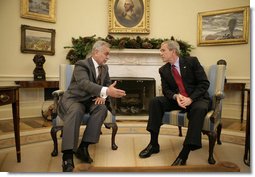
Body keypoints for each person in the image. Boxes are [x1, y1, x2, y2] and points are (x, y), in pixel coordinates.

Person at [138, 40, 210, 166]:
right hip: (179, 100)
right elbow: (166, 91)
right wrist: (176, 96)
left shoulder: (191, 61)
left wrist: (190, 99)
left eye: (163, 50)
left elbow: (204, 83)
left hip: (197, 99)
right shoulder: (163, 70)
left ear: (173, 51)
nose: (160, 53)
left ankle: (184, 153)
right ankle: (153, 144)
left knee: (198, 109)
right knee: (155, 101)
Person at [58, 40, 126, 172]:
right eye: (106, 54)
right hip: (74, 99)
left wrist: (103, 96)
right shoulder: (81, 64)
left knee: (102, 109)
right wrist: (106, 91)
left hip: (91, 100)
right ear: (96, 52)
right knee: (76, 110)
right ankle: (67, 155)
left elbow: (106, 84)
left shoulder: (104, 68)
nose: (108, 57)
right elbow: (84, 83)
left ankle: (83, 147)